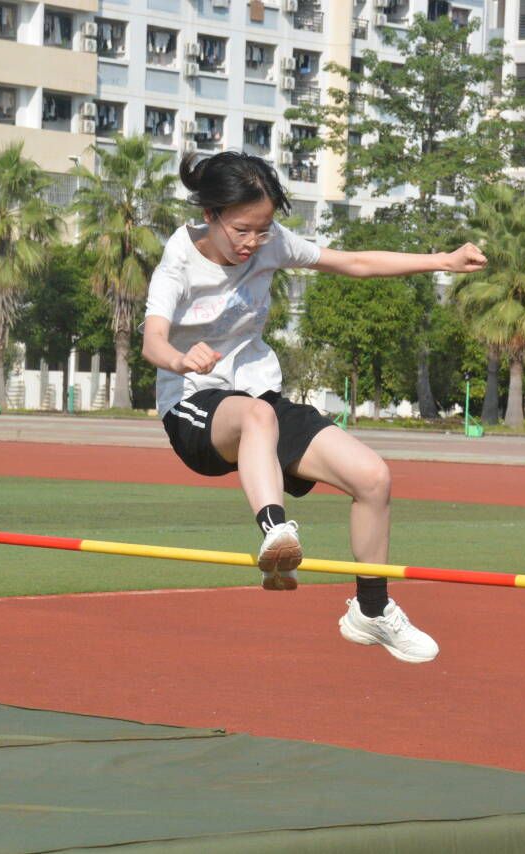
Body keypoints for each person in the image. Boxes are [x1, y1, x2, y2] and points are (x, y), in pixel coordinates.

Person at [142, 152, 486, 663]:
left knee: (372, 477)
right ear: (210, 214)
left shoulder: (272, 243)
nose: (252, 243)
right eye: (241, 230)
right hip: (194, 406)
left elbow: (355, 263)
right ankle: (275, 531)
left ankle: (371, 611)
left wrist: (443, 261)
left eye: (263, 230)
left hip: (258, 397)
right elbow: (152, 341)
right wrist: (180, 358)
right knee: (255, 416)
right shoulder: (179, 260)